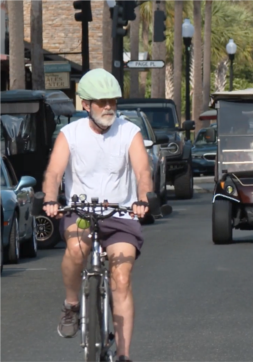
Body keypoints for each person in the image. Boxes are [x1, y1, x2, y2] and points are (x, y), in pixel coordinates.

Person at [41, 68, 152, 362]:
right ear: (86, 105)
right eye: (101, 102)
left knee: (122, 277)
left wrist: (143, 198)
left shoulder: (129, 132)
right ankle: (72, 304)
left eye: (112, 101)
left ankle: (125, 354)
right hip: (81, 212)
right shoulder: (70, 134)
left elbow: (142, 171)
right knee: (77, 250)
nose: (108, 107)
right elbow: (53, 173)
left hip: (120, 215)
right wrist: (51, 199)